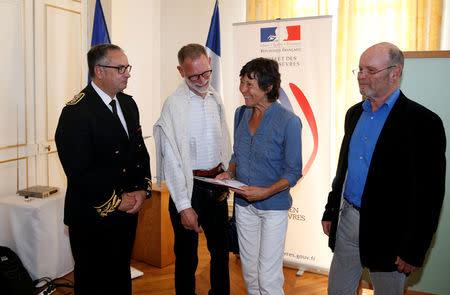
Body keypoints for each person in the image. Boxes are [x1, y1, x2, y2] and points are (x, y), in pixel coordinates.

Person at [322, 42, 446, 295]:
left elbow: (429, 195)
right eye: (359, 70)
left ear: (394, 72)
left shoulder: (424, 123)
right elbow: (344, 168)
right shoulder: (354, 114)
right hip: (348, 221)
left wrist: (414, 248)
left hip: (391, 232)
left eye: (369, 70)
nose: (361, 77)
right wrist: (331, 209)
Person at [55, 43, 152, 295]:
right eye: (120, 68)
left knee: (120, 277)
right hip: (93, 217)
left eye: (127, 67)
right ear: (99, 71)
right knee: (93, 282)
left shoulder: (128, 105)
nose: (127, 73)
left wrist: (142, 190)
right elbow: (78, 171)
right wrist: (116, 201)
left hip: (127, 212)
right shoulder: (76, 112)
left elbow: (140, 153)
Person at [216, 57, 303, 295]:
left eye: (249, 85)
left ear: (269, 87)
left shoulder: (289, 122)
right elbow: (237, 155)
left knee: (268, 277)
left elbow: (293, 172)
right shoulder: (240, 114)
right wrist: (229, 172)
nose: (243, 90)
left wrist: (265, 192)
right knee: (250, 274)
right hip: (244, 207)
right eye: (241, 83)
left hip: (273, 209)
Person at [153, 43, 232, 295]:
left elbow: (225, 142)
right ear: (180, 71)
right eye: (193, 76)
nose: (201, 80)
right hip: (189, 190)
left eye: (206, 73)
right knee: (187, 259)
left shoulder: (215, 98)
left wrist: (229, 172)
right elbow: (172, 162)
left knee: (221, 252)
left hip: (217, 186)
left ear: (209, 63)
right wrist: (184, 206)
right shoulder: (173, 106)